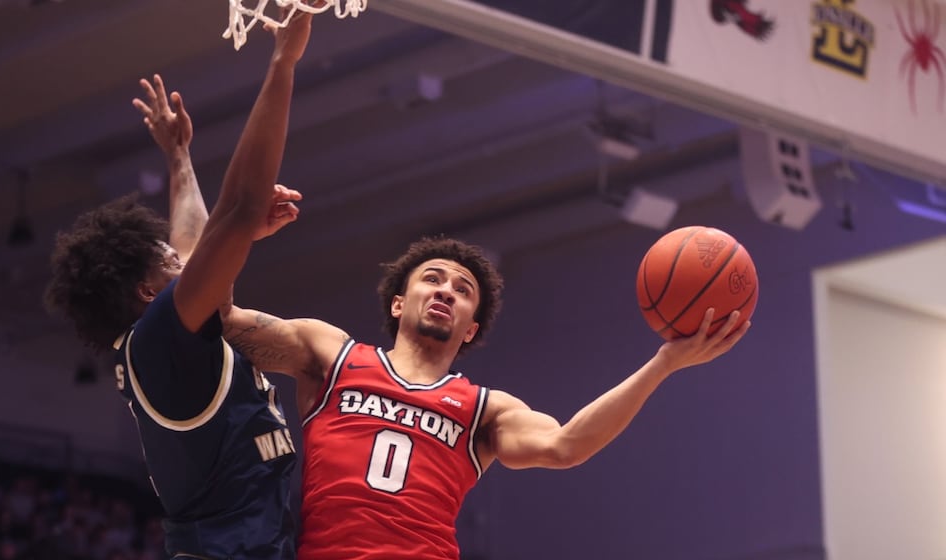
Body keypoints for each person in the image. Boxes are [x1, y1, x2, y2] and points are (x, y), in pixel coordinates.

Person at [220, 235, 751, 559]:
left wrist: (664, 364)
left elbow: (566, 445)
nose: (447, 290)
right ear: (400, 303)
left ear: (470, 328)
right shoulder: (331, 355)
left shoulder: (485, 410)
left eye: (463, 289)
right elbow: (216, 321)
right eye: (433, 279)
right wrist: (238, 223)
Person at [43, 14, 314, 560]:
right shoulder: (162, 338)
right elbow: (234, 214)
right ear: (148, 292)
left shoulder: (160, 342)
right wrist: (282, 63)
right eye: (166, 259)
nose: (181, 256)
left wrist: (180, 158)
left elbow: (192, 243)